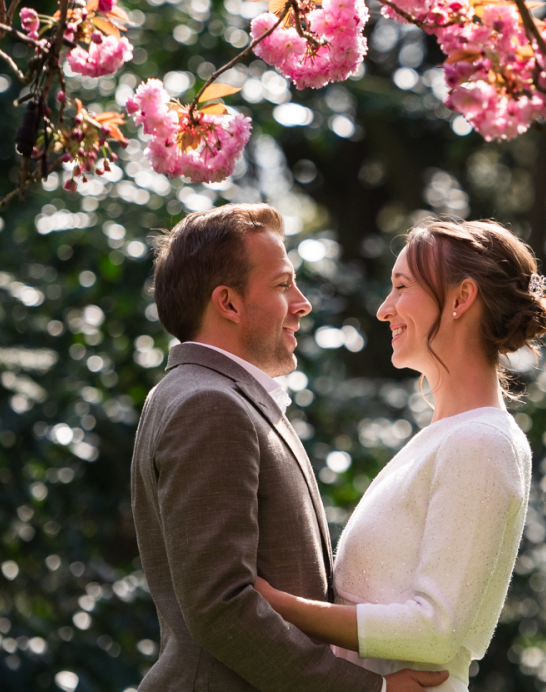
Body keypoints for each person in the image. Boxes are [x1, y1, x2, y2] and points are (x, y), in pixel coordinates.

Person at [130, 203, 449, 692]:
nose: (302, 303)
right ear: (228, 303)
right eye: (282, 285)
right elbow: (222, 607)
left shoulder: (203, 394)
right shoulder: (209, 405)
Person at [255, 217, 546, 692]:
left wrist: (279, 607)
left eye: (401, 286)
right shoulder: (442, 437)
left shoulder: (481, 441)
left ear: (461, 298)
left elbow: (437, 632)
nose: (383, 309)